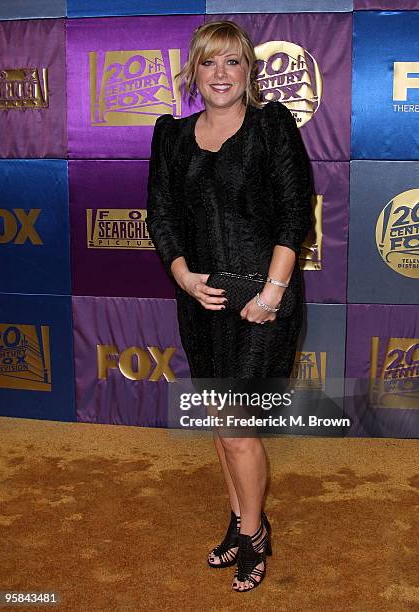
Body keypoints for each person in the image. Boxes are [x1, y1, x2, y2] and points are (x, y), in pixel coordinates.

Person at [146, 20, 313, 592]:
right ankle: (243, 517)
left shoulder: (272, 126)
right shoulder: (169, 135)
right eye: (209, 63)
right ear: (194, 72)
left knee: (238, 428)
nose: (220, 74)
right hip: (202, 299)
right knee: (220, 426)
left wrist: (271, 294)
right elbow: (162, 217)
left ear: (248, 70)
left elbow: (294, 213)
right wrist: (185, 278)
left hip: (263, 301)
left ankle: (254, 535)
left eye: (232, 62)